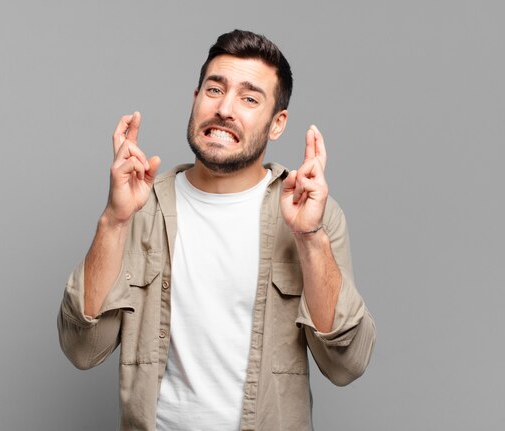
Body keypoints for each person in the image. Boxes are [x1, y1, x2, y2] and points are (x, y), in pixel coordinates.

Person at [58, 29, 375, 431]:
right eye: (214, 89)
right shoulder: (140, 208)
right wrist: (114, 220)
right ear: (195, 99)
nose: (225, 109)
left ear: (278, 124)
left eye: (249, 98)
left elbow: (346, 364)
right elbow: (81, 349)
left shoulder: (314, 216)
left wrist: (310, 239)